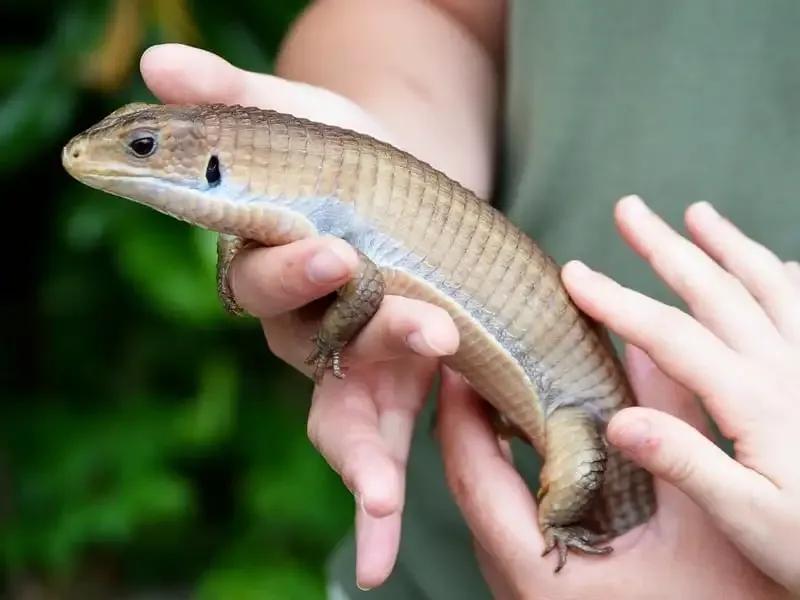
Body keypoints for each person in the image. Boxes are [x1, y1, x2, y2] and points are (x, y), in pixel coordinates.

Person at [137, 1, 800, 597]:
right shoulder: (283, 200)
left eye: (142, 150)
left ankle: (562, 530)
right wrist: (388, 162)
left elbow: (362, 281)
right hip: (437, 550)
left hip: (588, 423)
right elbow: (438, 12)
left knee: (580, 471)